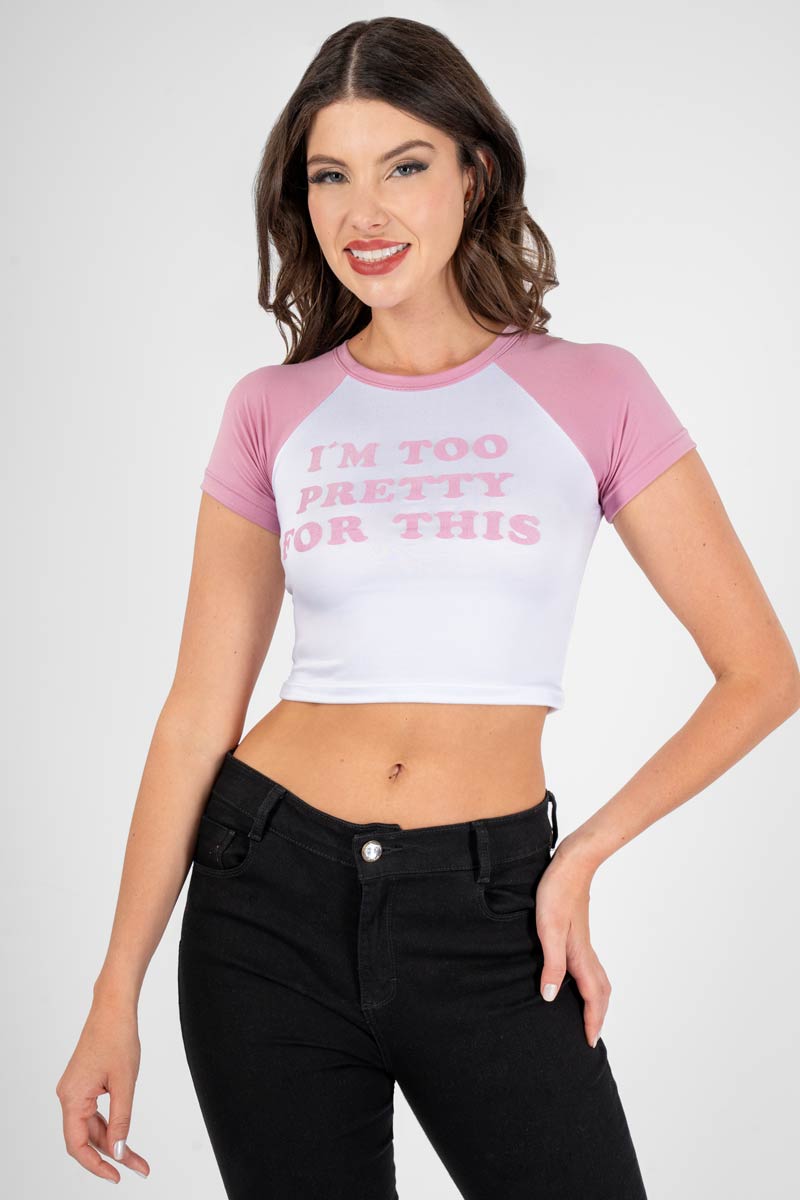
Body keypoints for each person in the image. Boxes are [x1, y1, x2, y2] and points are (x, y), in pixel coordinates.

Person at [55, 16, 799, 1200]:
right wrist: (113, 995)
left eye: (403, 165)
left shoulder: (592, 389)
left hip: (492, 910)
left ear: (472, 172)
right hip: (264, 902)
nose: (365, 211)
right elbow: (196, 717)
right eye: (329, 175)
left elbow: (760, 672)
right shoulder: (271, 409)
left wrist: (579, 856)